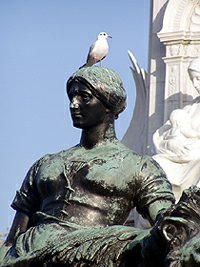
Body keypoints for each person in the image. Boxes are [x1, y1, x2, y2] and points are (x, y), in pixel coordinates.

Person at [0, 66, 175, 267]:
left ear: (109, 102)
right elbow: (12, 239)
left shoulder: (139, 166)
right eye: (71, 97)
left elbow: (167, 226)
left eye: (84, 97)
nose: (73, 104)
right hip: (27, 255)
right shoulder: (45, 163)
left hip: (89, 256)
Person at [153, 57, 200, 201]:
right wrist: (171, 143)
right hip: (179, 156)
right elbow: (160, 136)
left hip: (195, 157)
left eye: (198, 78)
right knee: (155, 162)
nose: (195, 84)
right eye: (193, 79)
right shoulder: (188, 109)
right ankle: (160, 210)